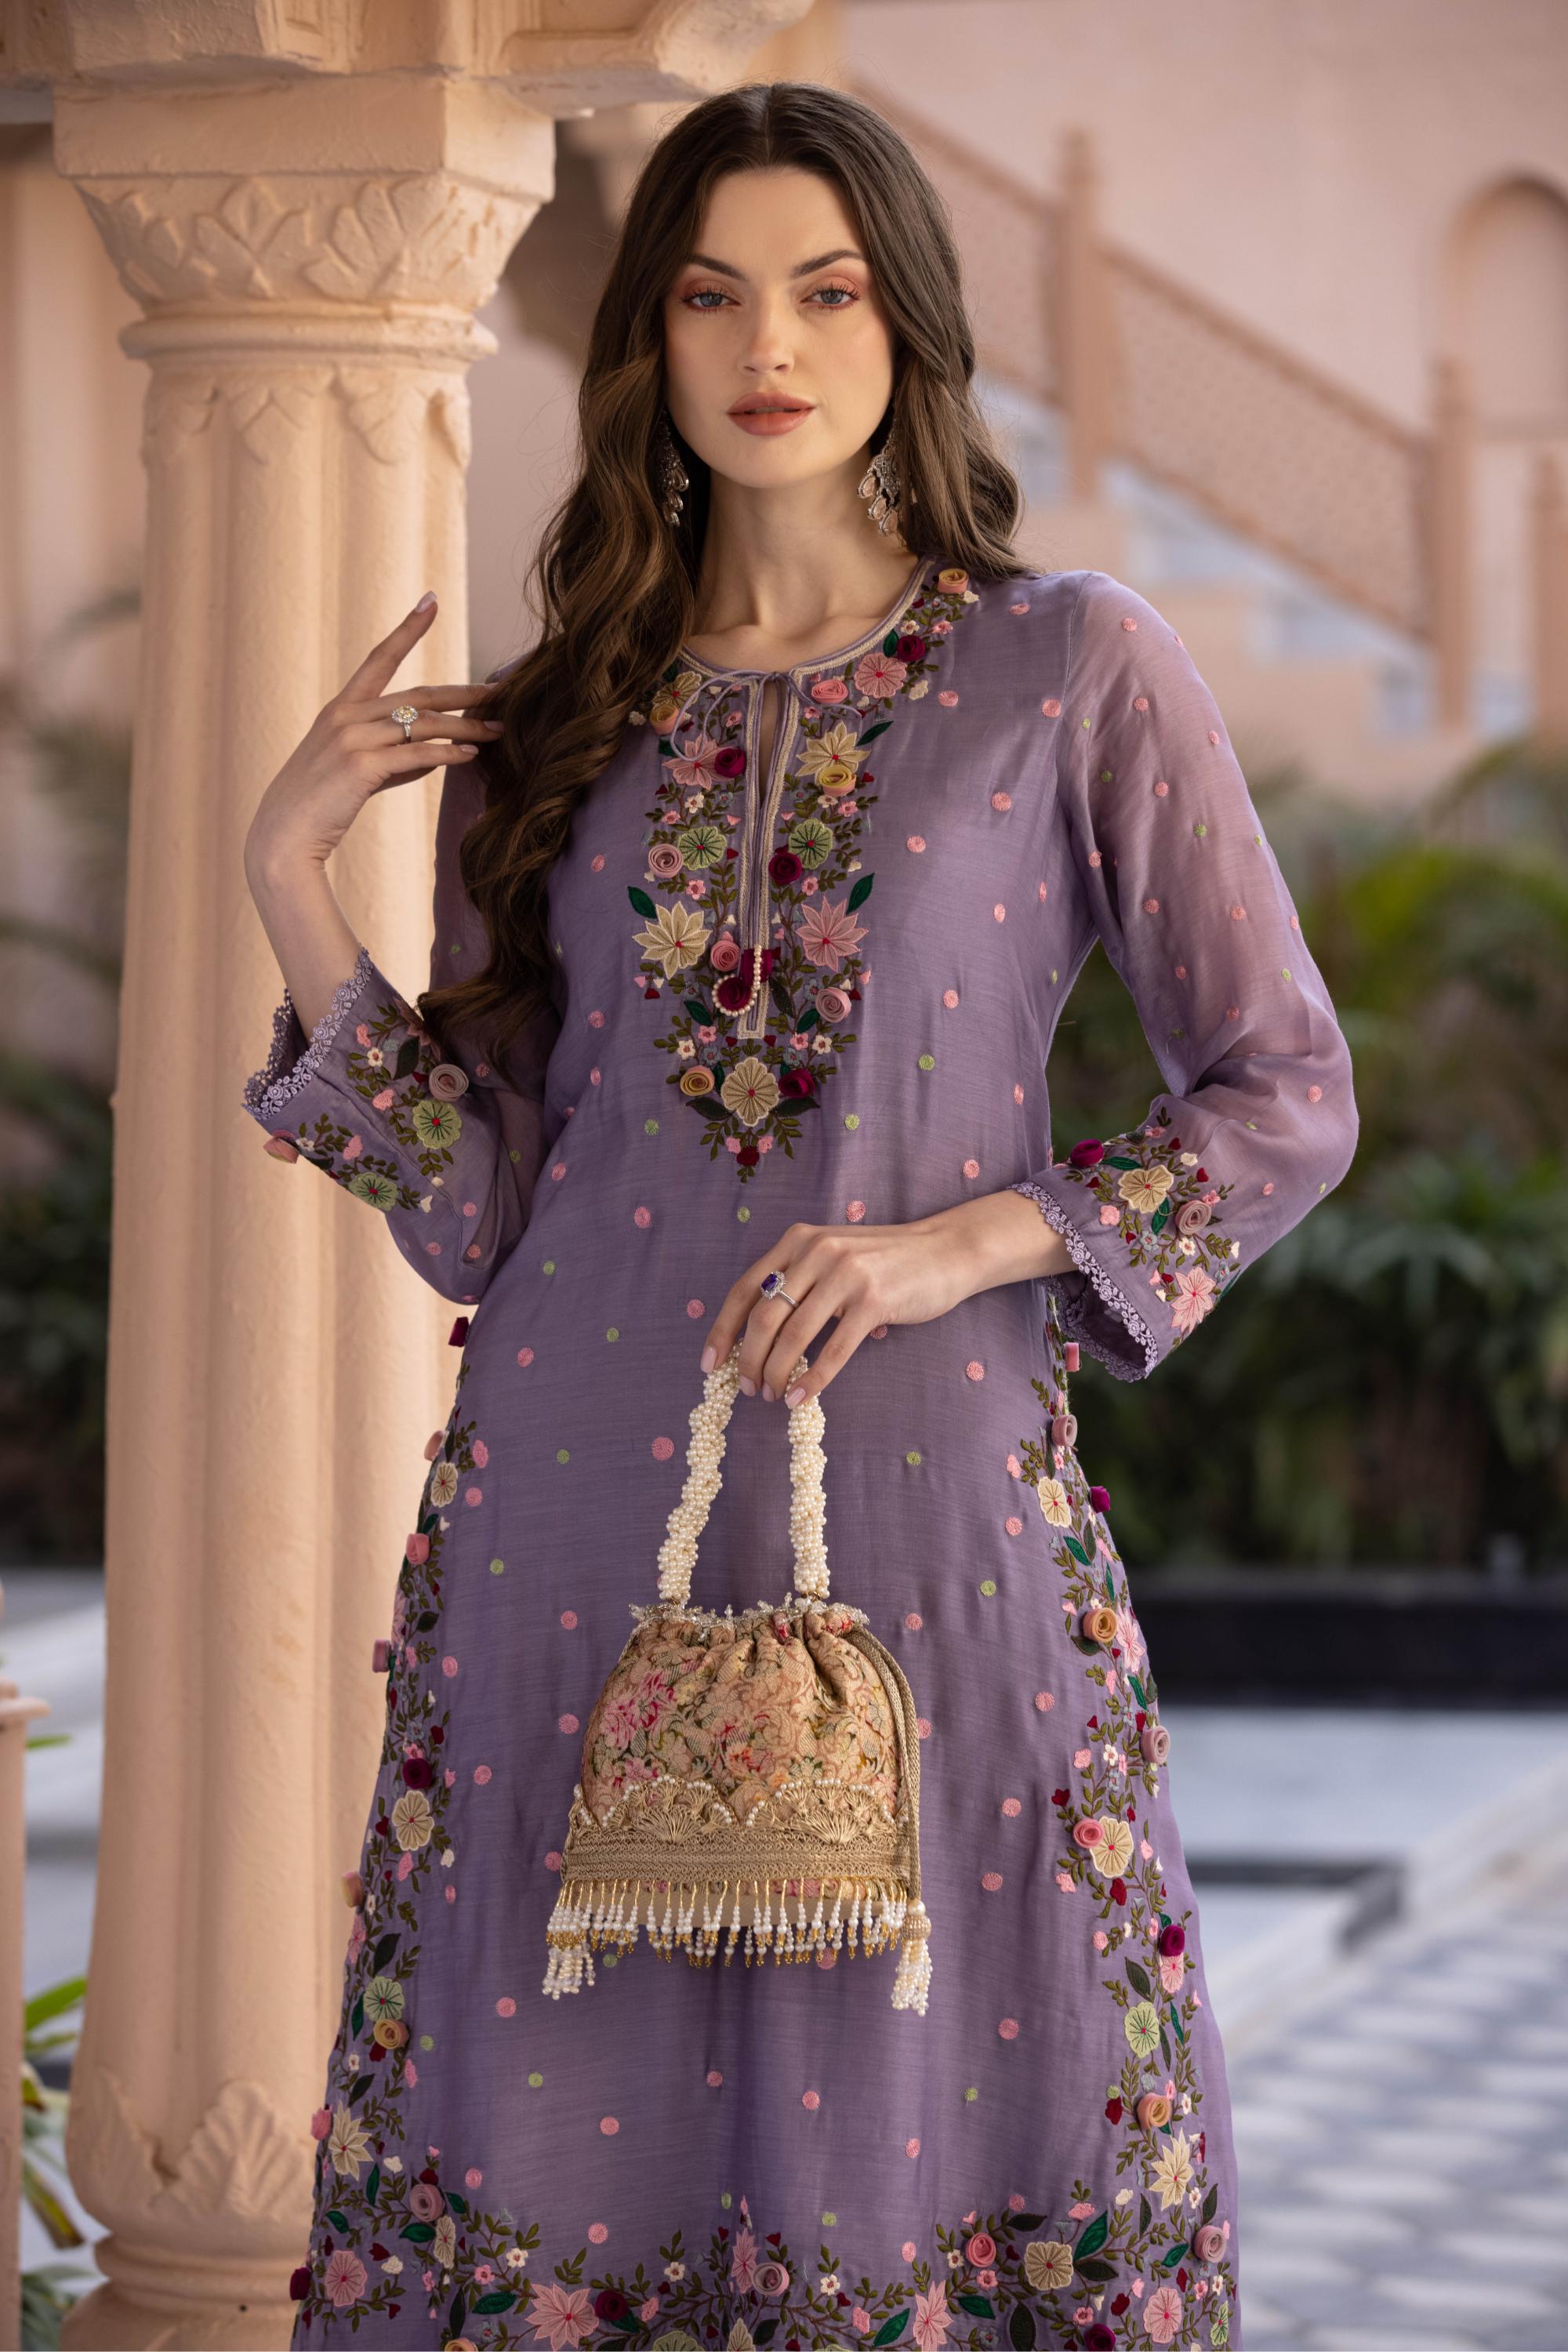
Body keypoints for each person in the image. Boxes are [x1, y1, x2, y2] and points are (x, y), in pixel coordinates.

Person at [242, 78, 1354, 2352]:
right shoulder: (560, 723)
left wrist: (960, 1244)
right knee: (560, 2140)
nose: (772, 346)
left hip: (935, 1509)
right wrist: (289, 881)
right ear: (646, 337)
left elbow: (1286, 1094)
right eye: (713, 294)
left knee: (967, 2103)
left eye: (830, 293)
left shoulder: (1068, 666)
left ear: (907, 325)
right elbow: (482, 1214)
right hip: (570, 1523)